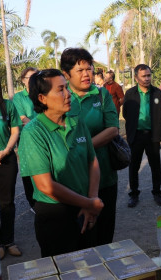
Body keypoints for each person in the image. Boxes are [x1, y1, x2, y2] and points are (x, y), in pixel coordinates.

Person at [18, 69, 104, 257]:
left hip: (85, 209)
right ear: (42, 98)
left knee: (89, 265)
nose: (68, 94)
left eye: (66, 88)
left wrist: (92, 198)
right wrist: (89, 203)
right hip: (55, 215)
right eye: (60, 90)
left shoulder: (76, 122)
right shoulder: (33, 132)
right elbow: (45, 186)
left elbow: (92, 161)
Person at [60, 48, 119, 246]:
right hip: (74, 181)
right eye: (80, 70)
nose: (87, 74)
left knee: (104, 233)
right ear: (66, 74)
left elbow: (112, 129)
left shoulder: (101, 95)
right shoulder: (60, 97)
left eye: (89, 69)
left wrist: (84, 147)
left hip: (105, 175)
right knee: (80, 236)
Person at [123, 64, 161, 208]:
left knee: (155, 166)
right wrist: (130, 135)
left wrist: (159, 136)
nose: (147, 78)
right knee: (134, 166)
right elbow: (126, 114)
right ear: (136, 77)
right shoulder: (130, 94)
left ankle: (157, 193)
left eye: (149, 75)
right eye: (144, 76)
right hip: (136, 136)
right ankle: (134, 194)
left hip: (152, 136)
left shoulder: (157, 93)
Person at [0, 67, 22, 259]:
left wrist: (7, 150)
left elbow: (15, 130)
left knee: (7, 202)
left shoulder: (7, 106)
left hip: (6, 157)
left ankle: (9, 241)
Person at [13, 67, 38, 212]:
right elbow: (23, 118)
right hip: (26, 138)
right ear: (23, 80)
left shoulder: (43, 92)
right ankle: (32, 202)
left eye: (36, 76)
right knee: (28, 170)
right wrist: (42, 127)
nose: (34, 79)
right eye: (30, 77)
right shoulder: (18, 97)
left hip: (44, 135)